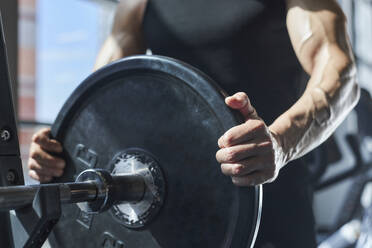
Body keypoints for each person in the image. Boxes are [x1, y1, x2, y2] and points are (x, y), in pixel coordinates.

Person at [28, 0, 360, 247]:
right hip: (168, 215)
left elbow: (340, 75)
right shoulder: (138, 4)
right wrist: (59, 148)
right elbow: (99, 99)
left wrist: (280, 143)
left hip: (268, 209)